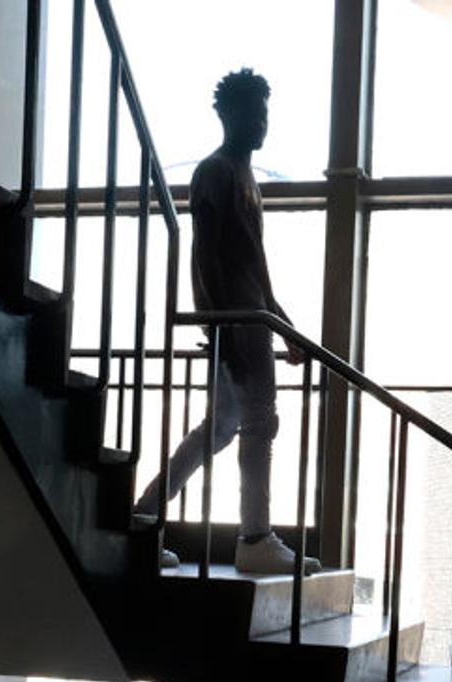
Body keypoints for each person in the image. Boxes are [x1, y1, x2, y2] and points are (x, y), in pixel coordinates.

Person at [137, 69, 317, 576]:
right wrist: (224, 326)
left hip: (249, 316)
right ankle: (254, 537)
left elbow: (254, 265)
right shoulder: (216, 172)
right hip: (236, 319)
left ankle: (144, 516)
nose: (261, 123)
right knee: (253, 423)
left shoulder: (243, 175)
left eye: (264, 114)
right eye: (252, 114)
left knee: (222, 427)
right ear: (228, 116)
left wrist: (282, 323)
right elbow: (210, 257)